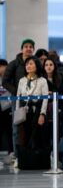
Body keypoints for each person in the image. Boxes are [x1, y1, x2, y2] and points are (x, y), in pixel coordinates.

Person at [2, 38, 35, 166]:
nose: (28, 48)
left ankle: (30, 153)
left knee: (32, 127)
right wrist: (17, 92)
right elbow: (5, 81)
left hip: (34, 100)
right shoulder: (13, 64)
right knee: (17, 128)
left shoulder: (35, 63)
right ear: (22, 48)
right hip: (18, 101)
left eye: (31, 46)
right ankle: (17, 154)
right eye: (26, 46)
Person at [15, 56, 49, 169]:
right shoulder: (22, 80)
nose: (28, 66)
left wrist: (42, 114)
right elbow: (18, 98)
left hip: (37, 111)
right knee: (23, 136)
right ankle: (24, 162)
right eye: (27, 64)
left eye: (31, 64)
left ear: (37, 66)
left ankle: (38, 162)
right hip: (24, 111)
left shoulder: (42, 80)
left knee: (38, 136)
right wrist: (17, 113)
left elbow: (45, 98)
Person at [0, 59, 13, 162]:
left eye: (3, 66)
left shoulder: (10, 78)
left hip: (8, 107)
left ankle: (11, 153)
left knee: (10, 131)